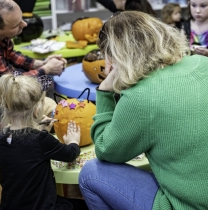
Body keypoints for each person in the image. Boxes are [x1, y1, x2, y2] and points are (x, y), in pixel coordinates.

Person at [79, 11, 208, 210]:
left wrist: (104, 91)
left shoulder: (140, 97)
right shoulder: (202, 63)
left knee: (91, 172)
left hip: (188, 204)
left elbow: (106, 150)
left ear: (114, 57)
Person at [0, 72, 86, 210]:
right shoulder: (40, 140)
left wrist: (42, 130)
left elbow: (24, 154)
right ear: (37, 109)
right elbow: (69, 155)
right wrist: (73, 142)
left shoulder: (1, 138)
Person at [0, 0, 66, 78]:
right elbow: (12, 82)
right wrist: (47, 69)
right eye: (16, 25)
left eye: (21, 18)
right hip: (4, 86)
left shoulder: (4, 37)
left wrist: (43, 63)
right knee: (40, 79)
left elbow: (12, 56)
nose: (25, 24)